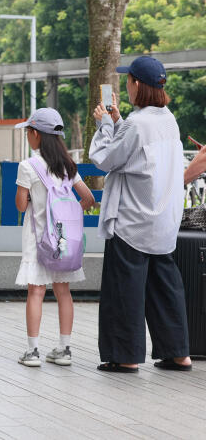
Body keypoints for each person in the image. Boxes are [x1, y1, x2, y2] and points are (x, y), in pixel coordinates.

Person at [89, 55, 192, 373]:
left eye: (129, 81)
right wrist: (119, 123)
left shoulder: (136, 123)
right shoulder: (168, 119)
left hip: (133, 220)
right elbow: (138, 154)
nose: (127, 87)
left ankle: (126, 356)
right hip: (163, 221)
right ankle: (178, 353)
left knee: (124, 291)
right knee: (165, 288)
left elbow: (107, 159)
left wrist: (105, 124)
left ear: (137, 85)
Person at [13, 109, 95, 367]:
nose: (28, 136)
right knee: (63, 292)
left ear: (36, 134)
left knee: (36, 292)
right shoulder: (68, 166)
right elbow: (89, 199)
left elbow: (19, 205)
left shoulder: (28, 166)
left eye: (28, 132)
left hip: (38, 240)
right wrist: (67, 214)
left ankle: (33, 352)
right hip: (63, 241)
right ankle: (64, 349)